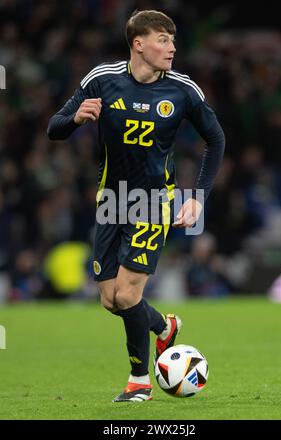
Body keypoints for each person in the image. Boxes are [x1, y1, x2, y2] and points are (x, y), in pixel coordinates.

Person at [47, 9, 225, 402]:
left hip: (153, 201)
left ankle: (139, 382)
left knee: (128, 296)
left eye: (173, 40)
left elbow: (216, 140)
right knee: (110, 300)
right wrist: (75, 117)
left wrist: (196, 197)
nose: (172, 48)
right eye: (163, 40)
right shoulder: (102, 80)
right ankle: (164, 327)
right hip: (110, 200)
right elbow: (53, 128)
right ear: (138, 44)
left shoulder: (183, 90)